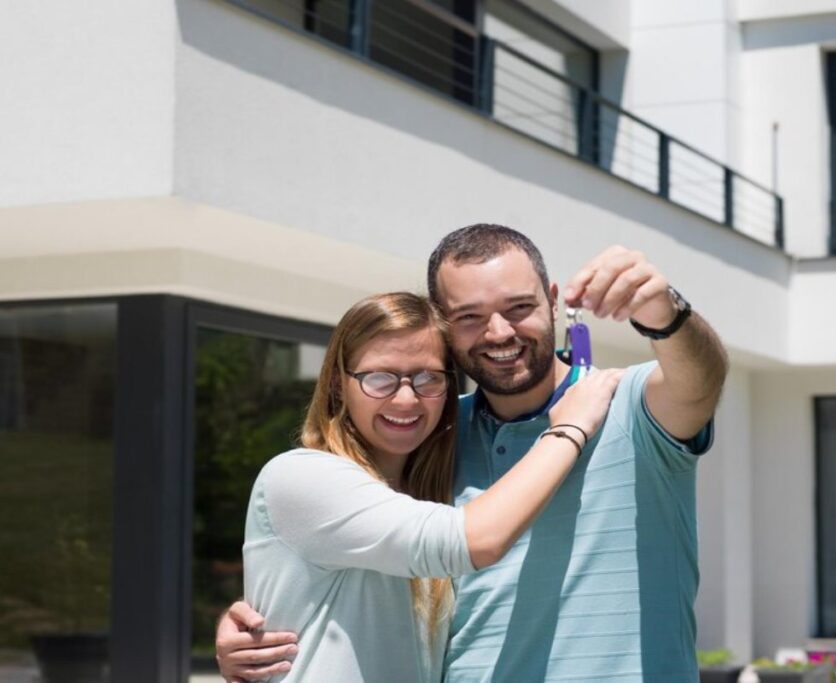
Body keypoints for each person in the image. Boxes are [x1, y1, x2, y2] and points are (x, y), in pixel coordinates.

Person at [217, 226, 728, 682]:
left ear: (553, 300)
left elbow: (701, 380)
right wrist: (268, 617)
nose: (500, 332)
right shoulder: (429, 431)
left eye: (519, 307)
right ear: (443, 325)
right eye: (470, 317)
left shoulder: (624, 401)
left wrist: (667, 314)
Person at [240, 291, 623, 682]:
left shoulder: (427, 494)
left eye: (427, 378)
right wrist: (569, 429)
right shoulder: (302, 478)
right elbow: (476, 540)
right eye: (379, 378)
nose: (406, 398)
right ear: (339, 385)